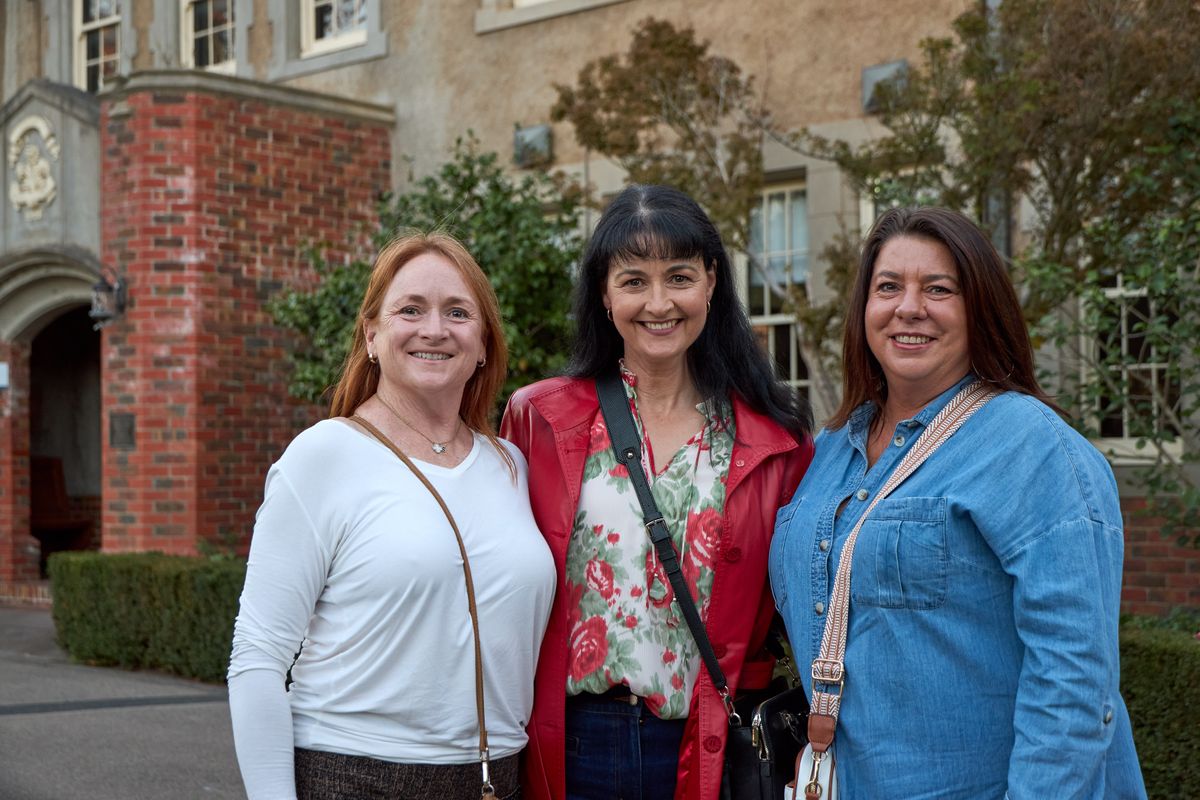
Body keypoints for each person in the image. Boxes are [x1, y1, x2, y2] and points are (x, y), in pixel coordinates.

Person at [770, 206, 1147, 799]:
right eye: (888, 287)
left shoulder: (1032, 448)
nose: (908, 307)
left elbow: (1074, 682)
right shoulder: (831, 449)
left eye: (938, 289)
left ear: (980, 309)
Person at [501, 184, 815, 800]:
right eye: (634, 281)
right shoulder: (540, 420)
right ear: (604, 293)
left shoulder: (775, 441)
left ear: (711, 282)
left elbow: (801, 605)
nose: (659, 303)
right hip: (573, 740)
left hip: (710, 742)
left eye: (679, 277)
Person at [228, 232, 556, 800]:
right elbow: (258, 656)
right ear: (372, 336)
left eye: (458, 312)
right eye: (410, 310)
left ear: (483, 343)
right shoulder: (324, 456)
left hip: (497, 779)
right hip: (354, 775)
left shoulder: (511, 465)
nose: (434, 329)